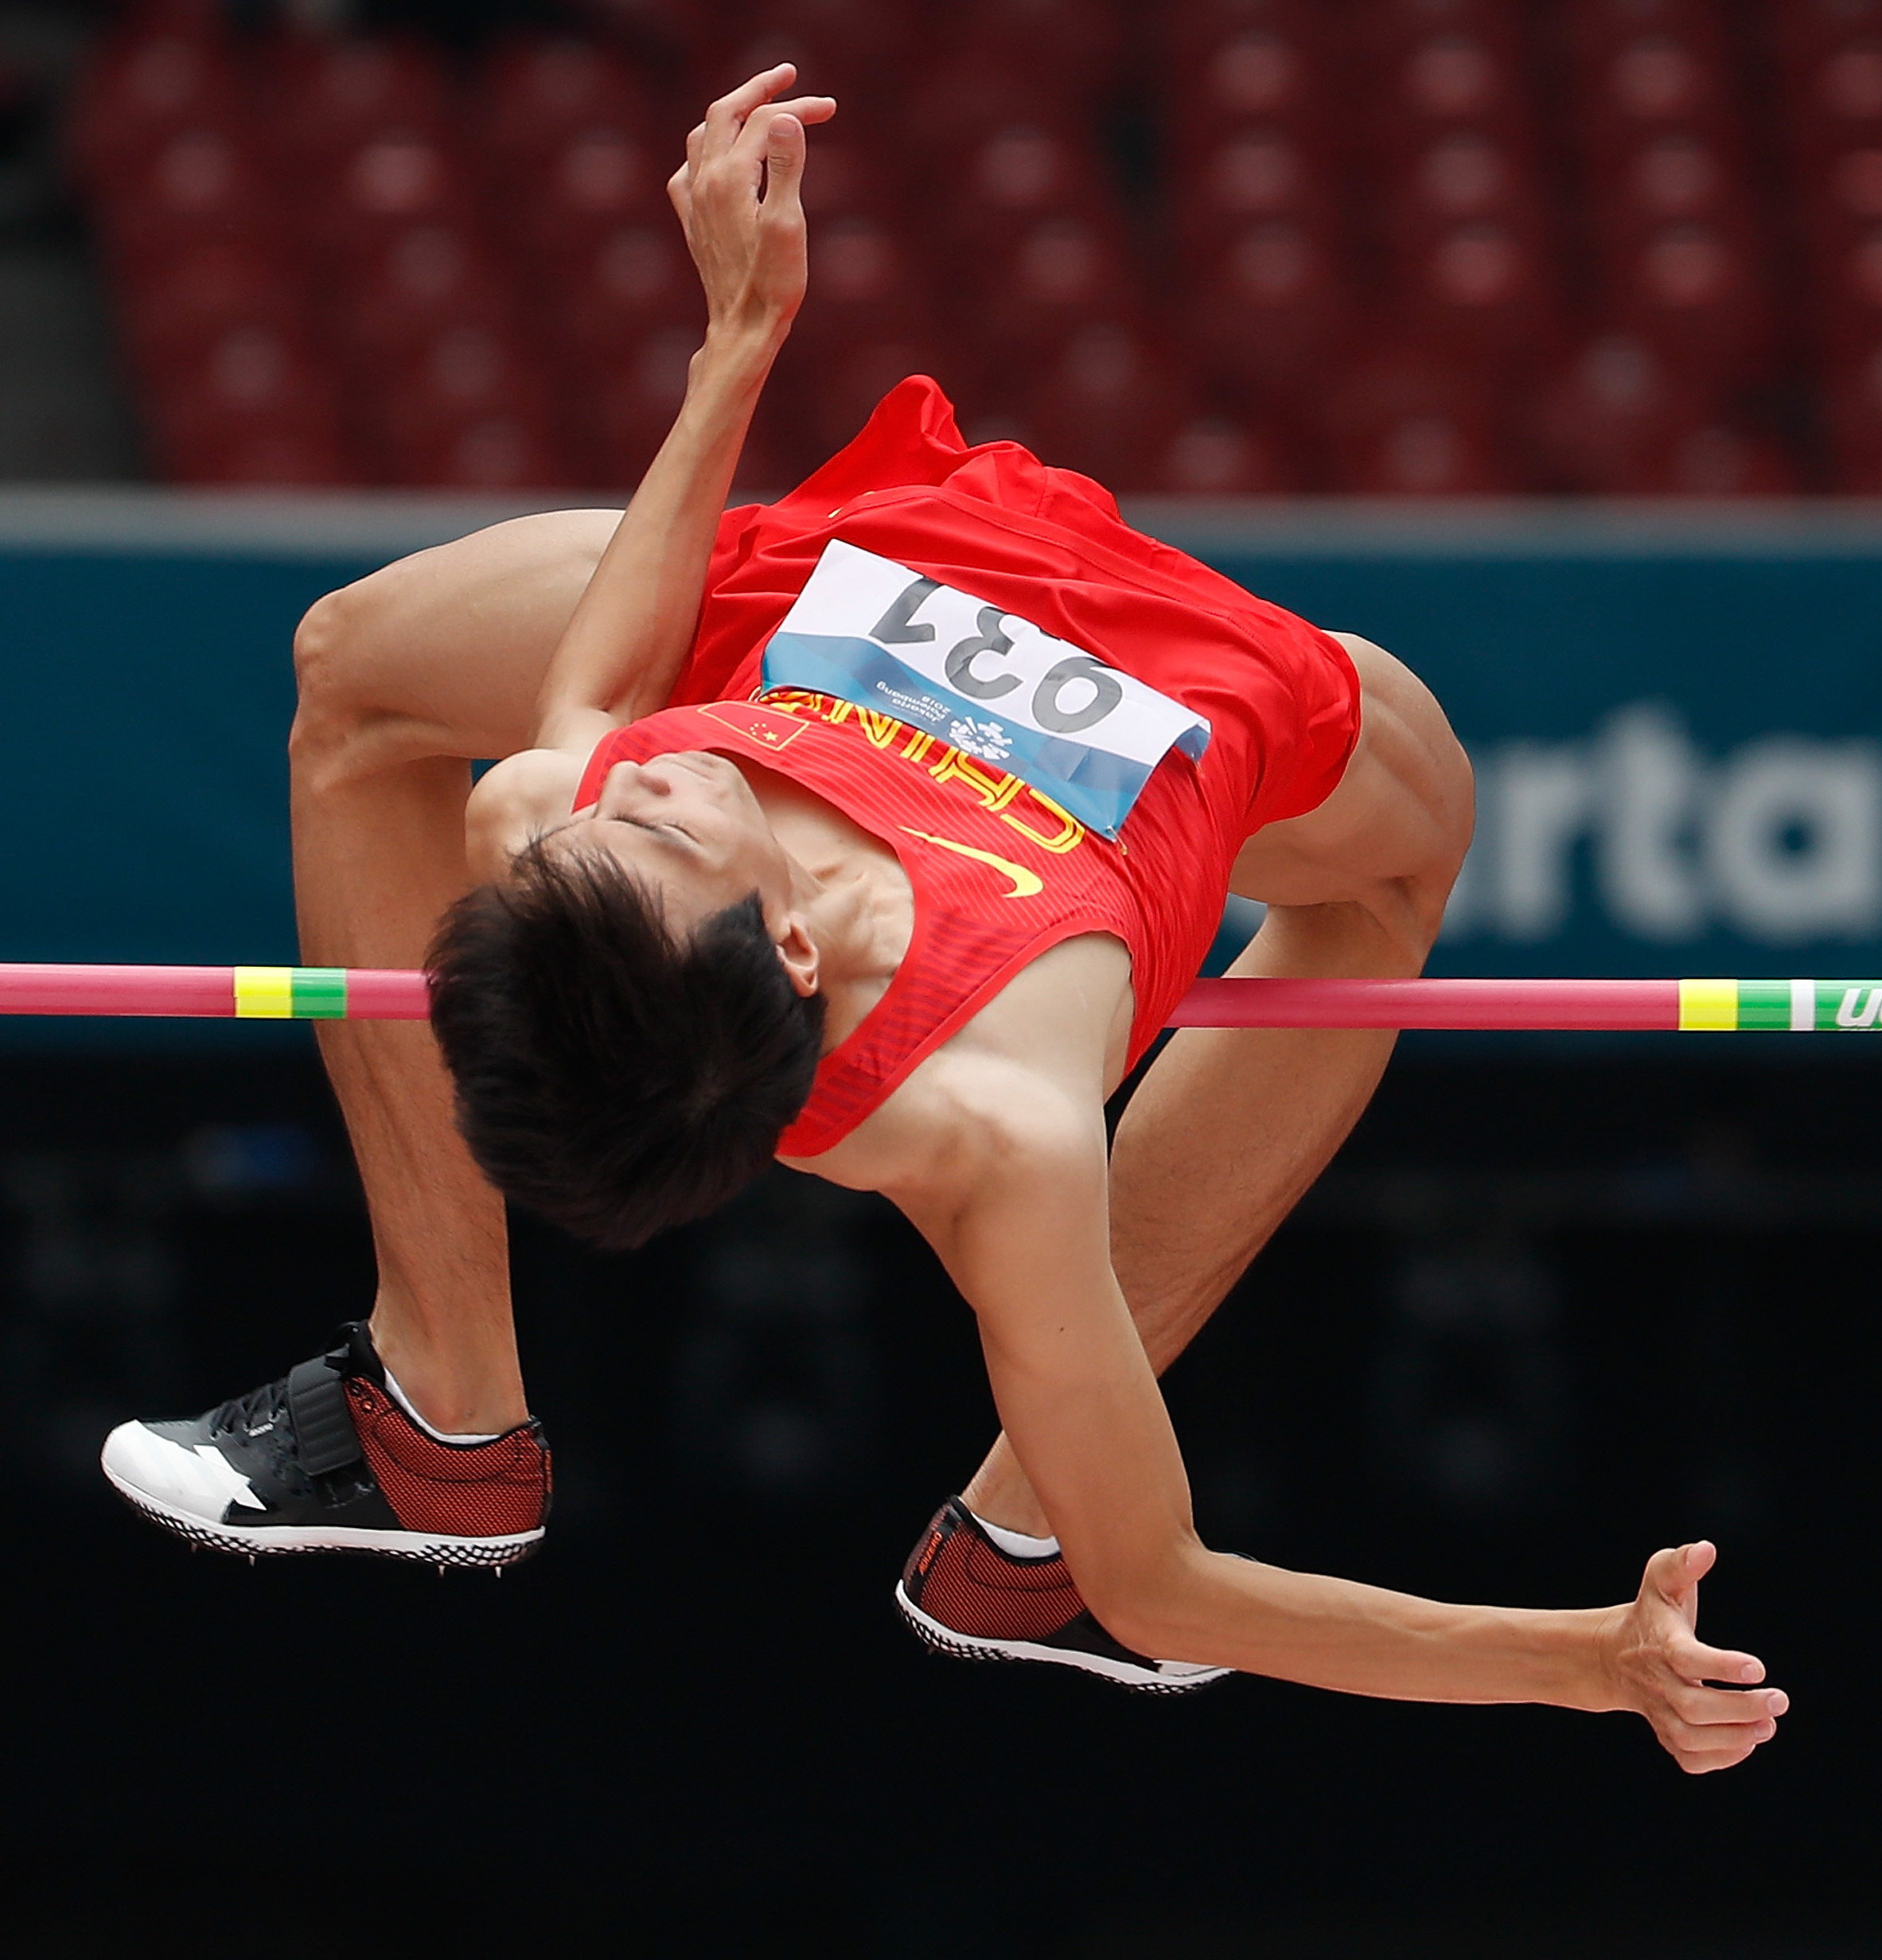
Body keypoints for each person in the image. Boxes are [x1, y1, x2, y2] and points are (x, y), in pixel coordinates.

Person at [97, 68, 1784, 1775]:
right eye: (651, 833)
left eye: (596, 817)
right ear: (797, 946)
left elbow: (595, 695)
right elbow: (1176, 1582)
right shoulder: (1003, 1127)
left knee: (356, 668)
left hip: (862, 583)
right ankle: (998, 1527)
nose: (614, 790)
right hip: (1174, 681)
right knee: (1403, 859)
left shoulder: (554, 818)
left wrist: (736, 337)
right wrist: (1586, 1662)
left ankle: (437, 1406)